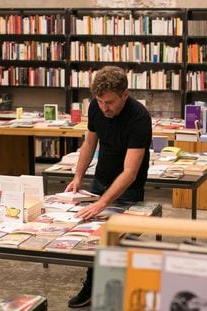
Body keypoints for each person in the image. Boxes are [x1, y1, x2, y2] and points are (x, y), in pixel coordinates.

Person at [65, 66, 152, 308]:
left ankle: (121, 294)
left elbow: (130, 171)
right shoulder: (96, 107)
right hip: (99, 181)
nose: (104, 108)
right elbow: (89, 143)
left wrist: (103, 202)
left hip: (128, 188)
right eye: (100, 101)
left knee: (120, 242)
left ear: (125, 94)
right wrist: (78, 177)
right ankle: (91, 285)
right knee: (92, 239)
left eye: (110, 102)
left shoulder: (139, 117)